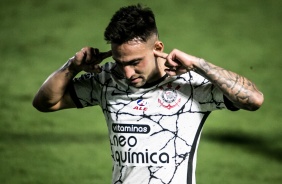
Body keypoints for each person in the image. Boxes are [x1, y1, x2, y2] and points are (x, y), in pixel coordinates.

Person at [32, 4, 264, 184]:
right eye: (119, 62)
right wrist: (72, 66)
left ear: (158, 48)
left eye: (135, 62)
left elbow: (254, 99)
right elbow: (46, 102)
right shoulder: (106, 80)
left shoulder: (190, 84)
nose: (127, 71)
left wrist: (199, 64)